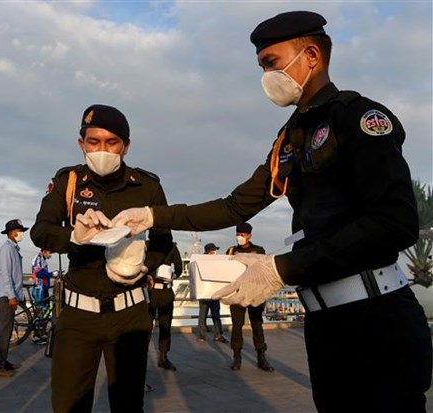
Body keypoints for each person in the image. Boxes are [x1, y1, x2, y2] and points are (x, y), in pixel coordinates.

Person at [113, 10, 432, 412]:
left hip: (375, 321)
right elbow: (235, 206)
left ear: (311, 55)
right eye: (262, 66)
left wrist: (282, 268)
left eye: (272, 63)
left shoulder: (358, 118)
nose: (266, 76)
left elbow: (394, 223)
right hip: (324, 324)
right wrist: (155, 215)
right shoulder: (290, 138)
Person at [30, 104, 173, 413]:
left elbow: (164, 244)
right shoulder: (67, 182)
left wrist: (143, 267)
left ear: (126, 146)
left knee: (128, 404)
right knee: (68, 404)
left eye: (111, 143)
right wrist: (73, 237)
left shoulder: (148, 186)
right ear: (82, 144)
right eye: (93, 142)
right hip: (78, 314)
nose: (102, 150)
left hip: (130, 312)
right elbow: (40, 231)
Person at [225, 222, 273, 372]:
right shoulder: (231, 251)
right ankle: (236, 356)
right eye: (238, 234)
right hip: (238, 293)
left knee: (257, 324)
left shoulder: (258, 250)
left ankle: (261, 357)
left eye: (243, 235)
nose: (240, 237)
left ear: (249, 236)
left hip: (254, 294)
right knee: (237, 325)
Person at [0, 219, 28, 377]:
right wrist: (12, 297)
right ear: (12, 232)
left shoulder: (14, 249)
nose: (21, 234)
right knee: (3, 332)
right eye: (20, 231)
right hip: (5, 297)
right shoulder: (6, 249)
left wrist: (19, 296)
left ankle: (1, 360)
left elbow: (16, 276)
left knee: (5, 330)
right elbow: (6, 275)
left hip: (10, 296)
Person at [148, 242, 183, 371]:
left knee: (165, 325)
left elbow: (179, 267)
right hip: (150, 291)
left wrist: (173, 275)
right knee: (145, 325)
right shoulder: (147, 246)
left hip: (166, 291)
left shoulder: (172, 247)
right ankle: (142, 357)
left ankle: (163, 357)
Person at [196, 243, 228, 344]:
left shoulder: (217, 263)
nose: (215, 253)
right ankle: (202, 335)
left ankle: (218, 335)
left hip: (215, 293)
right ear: (209, 252)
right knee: (203, 316)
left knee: (216, 315)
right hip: (205, 294)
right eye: (214, 251)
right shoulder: (202, 263)